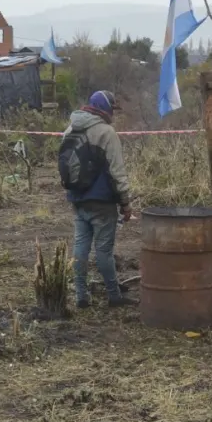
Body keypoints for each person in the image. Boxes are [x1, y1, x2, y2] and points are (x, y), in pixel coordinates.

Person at [62, 90, 136, 308]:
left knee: (80, 247)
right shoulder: (106, 132)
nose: (113, 113)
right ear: (104, 108)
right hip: (102, 203)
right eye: (112, 108)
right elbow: (117, 172)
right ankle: (114, 296)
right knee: (104, 251)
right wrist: (126, 203)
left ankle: (81, 296)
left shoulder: (70, 128)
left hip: (77, 199)